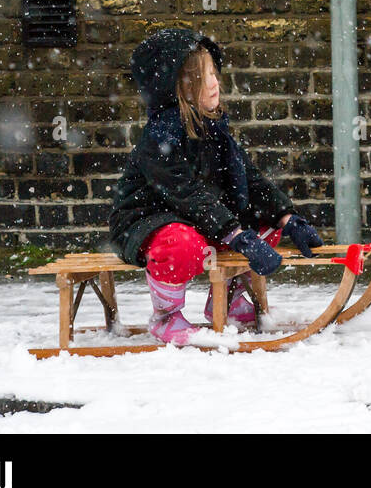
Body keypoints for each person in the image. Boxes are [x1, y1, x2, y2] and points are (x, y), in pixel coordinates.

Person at [108, 27, 323, 346]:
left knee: (264, 228)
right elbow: (187, 194)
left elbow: (250, 179)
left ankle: (229, 299)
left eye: (213, 73)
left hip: (201, 220)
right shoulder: (159, 139)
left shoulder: (214, 131)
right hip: (151, 222)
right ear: (175, 87)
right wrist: (235, 235)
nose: (214, 82)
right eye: (201, 76)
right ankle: (165, 316)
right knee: (183, 245)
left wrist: (287, 218)